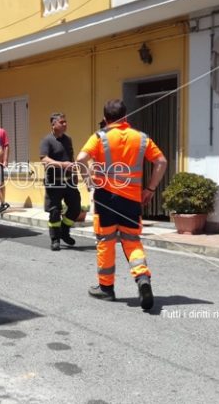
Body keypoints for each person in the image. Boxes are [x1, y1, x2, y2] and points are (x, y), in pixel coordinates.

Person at [76, 99, 167, 310]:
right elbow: (161, 162)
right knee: (132, 242)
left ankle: (106, 289)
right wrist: (151, 189)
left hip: (105, 199)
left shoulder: (99, 137)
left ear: (106, 119)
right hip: (131, 200)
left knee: (106, 243)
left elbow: (80, 159)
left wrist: (90, 183)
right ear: (125, 117)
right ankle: (142, 278)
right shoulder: (141, 138)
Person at [40, 113, 81, 251]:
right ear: (53, 124)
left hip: (69, 182)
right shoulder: (47, 140)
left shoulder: (68, 140)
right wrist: (62, 165)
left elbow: (71, 157)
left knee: (75, 207)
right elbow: (44, 159)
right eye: (62, 122)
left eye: (65, 122)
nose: (65, 124)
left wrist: (74, 173)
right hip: (54, 182)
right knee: (54, 212)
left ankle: (64, 230)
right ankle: (55, 239)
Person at [0, 124, 10, 213]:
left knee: (0, 183)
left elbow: (6, 146)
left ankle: (2, 203)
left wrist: (5, 160)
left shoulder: (1, 132)